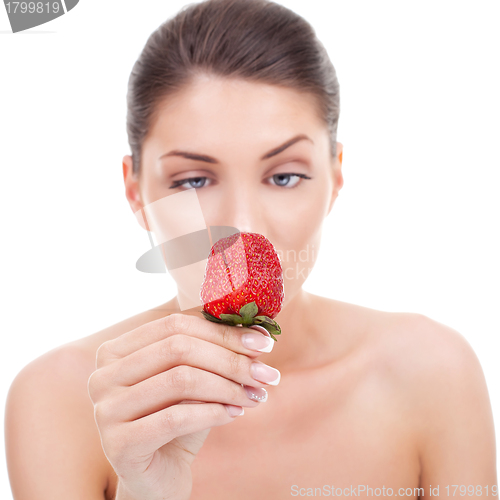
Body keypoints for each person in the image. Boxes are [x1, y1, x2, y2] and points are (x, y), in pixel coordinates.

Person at [5, 0, 497, 498]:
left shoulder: (434, 374)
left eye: (284, 176)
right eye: (193, 179)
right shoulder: (58, 401)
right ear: (134, 189)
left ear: (336, 176)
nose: (241, 229)